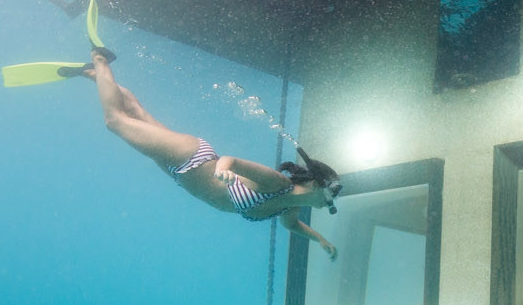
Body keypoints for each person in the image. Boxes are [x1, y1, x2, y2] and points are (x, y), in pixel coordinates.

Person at [83, 48, 339, 259]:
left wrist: (321, 240)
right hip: (193, 158)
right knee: (115, 122)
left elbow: (293, 226)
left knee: (138, 116)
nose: (330, 204)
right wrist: (222, 169)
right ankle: (100, 58)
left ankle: (98, 76)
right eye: (330, 196)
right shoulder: (277, 184)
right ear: (316, 184)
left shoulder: (287, 209)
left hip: (180, 173)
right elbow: (233, 160)